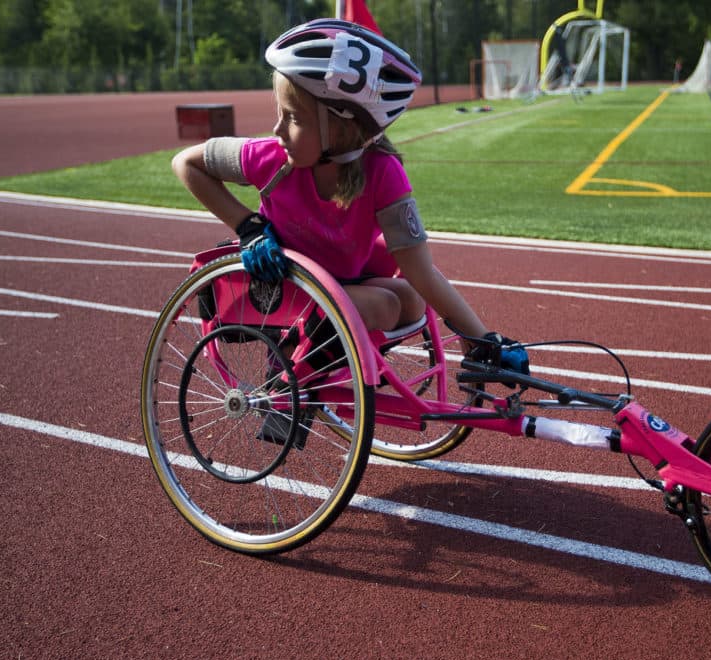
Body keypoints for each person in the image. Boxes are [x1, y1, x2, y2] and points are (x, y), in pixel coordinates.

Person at [172, 19, 528, 400]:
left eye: (293, 118)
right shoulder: (272, 157)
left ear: (339, 127)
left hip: (339, 283)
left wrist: (481, 338)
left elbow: (421, 270)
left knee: (410, 299)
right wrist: (248, 226)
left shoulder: (383, 172)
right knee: (380, 305)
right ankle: (286, 372)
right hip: (288, 284)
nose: (278, 128)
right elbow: (186, 163)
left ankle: (317, 360)